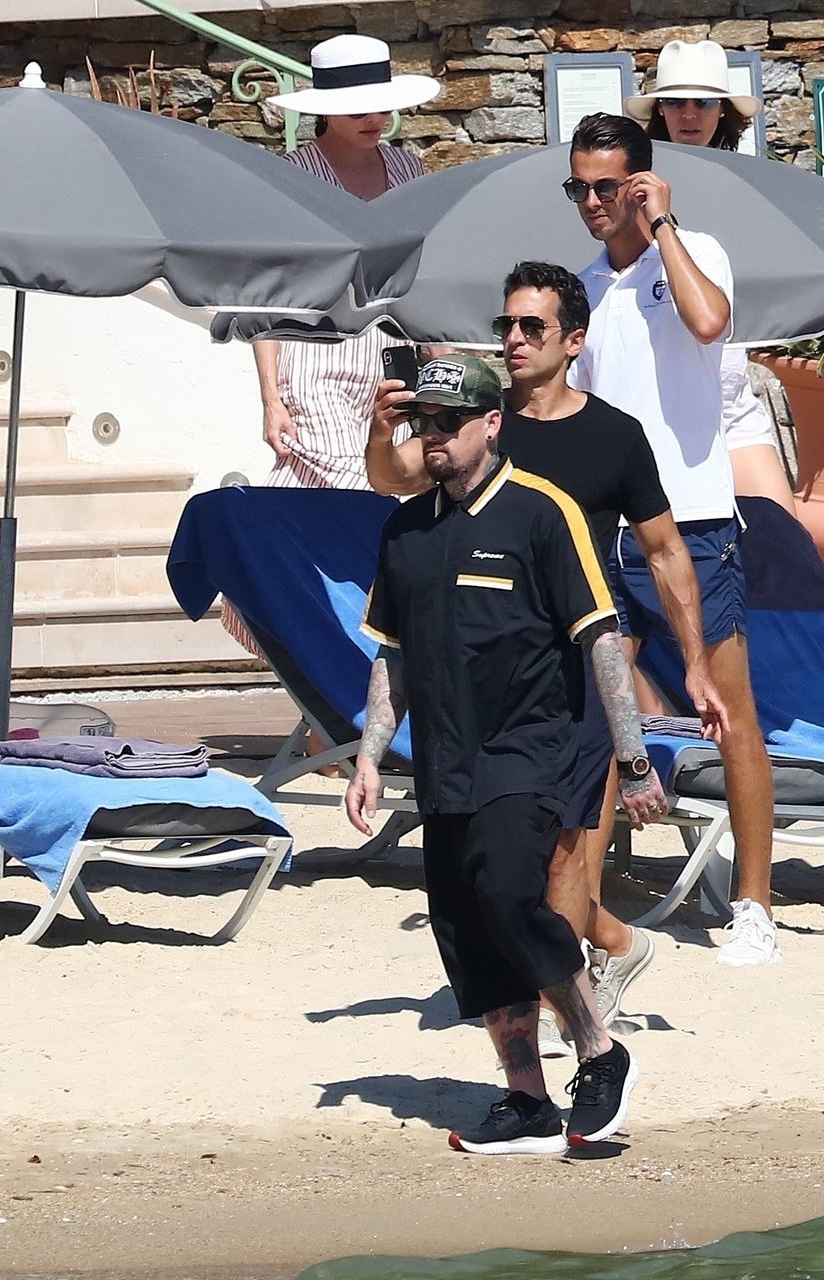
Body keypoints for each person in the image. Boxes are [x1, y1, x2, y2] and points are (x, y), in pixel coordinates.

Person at [367, 263, 726, 1054]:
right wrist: (382, 425)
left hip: (576, 675)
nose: (514, 340)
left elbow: (665, 552)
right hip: (481, 685)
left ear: (574, 341)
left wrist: (695, 665)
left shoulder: (613, 436)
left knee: (565, 854)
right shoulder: (475, 420)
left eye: (533, 326)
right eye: (506, 325)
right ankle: (616, 947)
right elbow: (392, 479)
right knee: (510, 868)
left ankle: (570, 1019)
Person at [348, 355, 665, 1155]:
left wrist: (634, 760)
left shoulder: (542, 512)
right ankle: (527, 1100)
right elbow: (393, 655)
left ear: (491, 424)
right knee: (467, 924)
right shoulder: (405, 531)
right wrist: (369, 756)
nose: (433, 436)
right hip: (444, 759)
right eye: (422, 422)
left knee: (509, 896)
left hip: (531, 749)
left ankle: (600, 1050)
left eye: (449, 422)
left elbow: (602, 639)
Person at [566, 111, 781, 967]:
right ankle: (580, 917)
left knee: (729, 713)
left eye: (605, 186)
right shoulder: (583, 287)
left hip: (692, 524)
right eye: (578, 187)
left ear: (641, 183)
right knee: (598, 725)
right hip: (607, 532)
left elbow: (709, 322)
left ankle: (756, 908)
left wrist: (662, 226)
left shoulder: (693, 253)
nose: (591, 201)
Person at [255, 34, 438, 491]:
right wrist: (270, 398)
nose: (374, 119)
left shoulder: (409, 171)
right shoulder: (292, 176)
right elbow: (268, 288)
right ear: (326, 111)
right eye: (358, 111)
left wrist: (442, 358)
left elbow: (424, 274)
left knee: (381, 487)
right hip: (314, 356)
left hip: (392, 358)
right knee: (350, 487)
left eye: (382, 107)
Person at [624, 40, 796, 513]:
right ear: (659, 110)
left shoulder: (751, 187)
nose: (689, 114)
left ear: (723, 111)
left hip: (731, 397)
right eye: (675, 101)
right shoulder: (633, 189)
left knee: (785, 537)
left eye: (703, 102)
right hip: (660, 400)